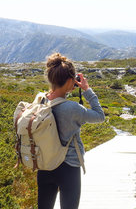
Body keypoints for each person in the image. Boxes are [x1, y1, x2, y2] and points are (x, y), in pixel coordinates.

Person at [38, 52, 105, 209]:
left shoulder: (41, 102)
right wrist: (87, 90)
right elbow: (100, 116)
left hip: (45, 165)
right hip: (69, 167)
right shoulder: (73, 108)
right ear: (70, 81)